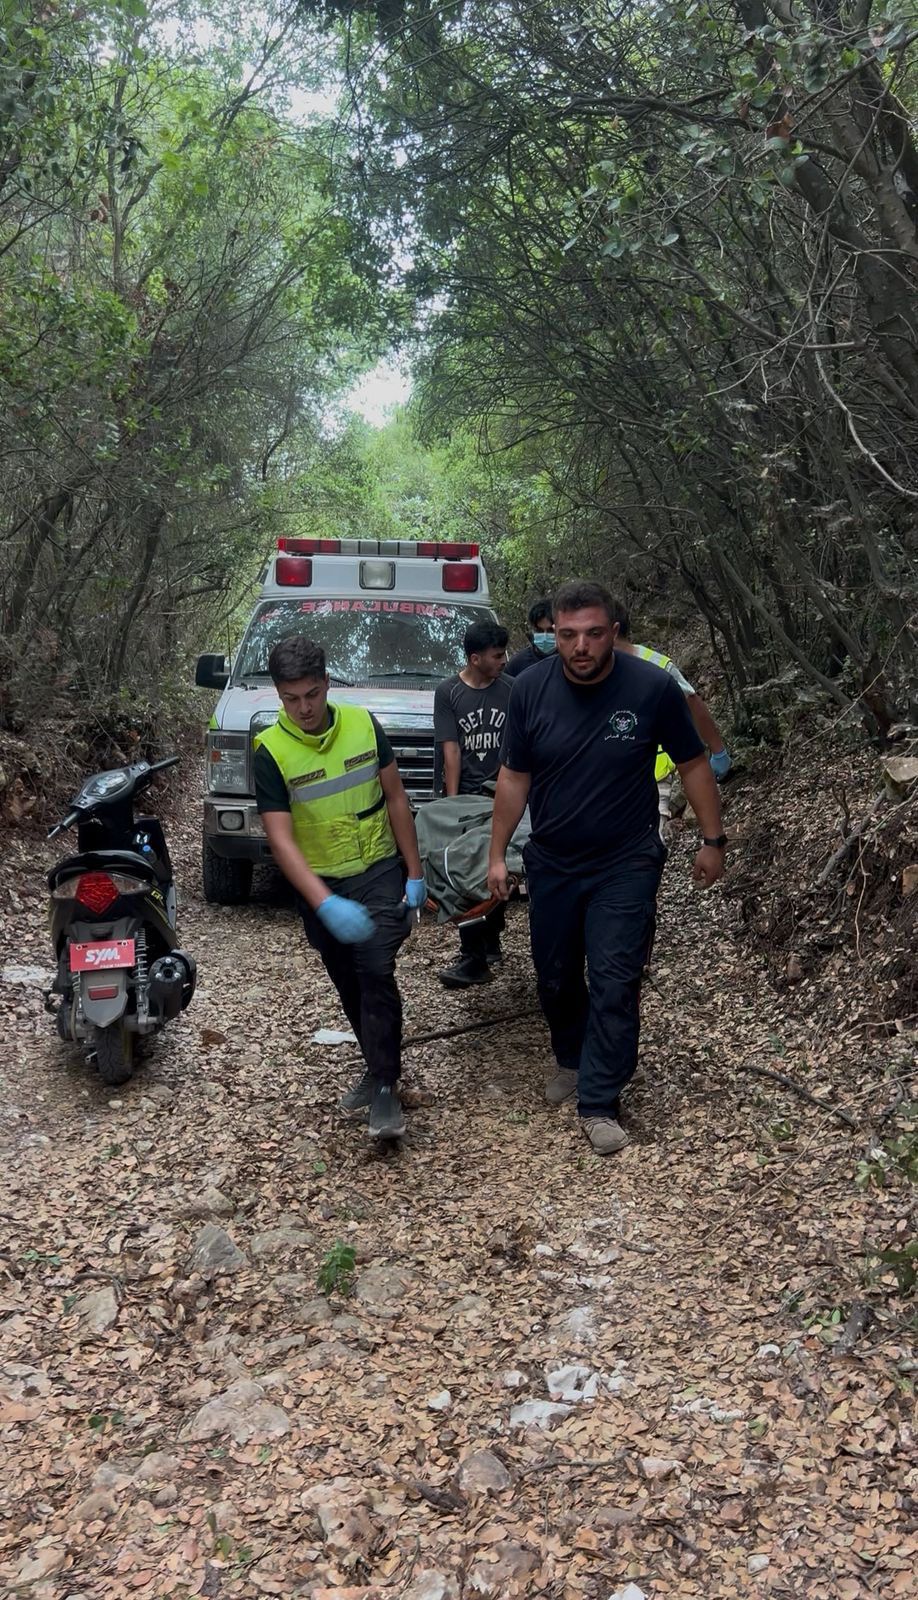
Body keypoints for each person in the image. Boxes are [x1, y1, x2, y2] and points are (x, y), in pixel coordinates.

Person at [487, 580, 727, 1156]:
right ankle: (572, 1058)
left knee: (616, 979)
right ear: (553, 635)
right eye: (568, 635)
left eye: (593, 634)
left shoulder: (651, 687)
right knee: (555, 976)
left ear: (613, 632)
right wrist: (496, 854)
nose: (581, 646)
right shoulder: (529, 690)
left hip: (627, 860)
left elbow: (693, 764)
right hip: (553, 860)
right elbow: (514, 777)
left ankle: (599, 1099)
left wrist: (713, 840)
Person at [253, 635, 426, 1140]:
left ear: (327, 683)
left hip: (377, 867)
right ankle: (376, 1064)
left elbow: (396, 797)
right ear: (279, 695)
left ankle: (386, 1086)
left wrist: (414, 872)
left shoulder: (363, 725)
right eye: (291, 699)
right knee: (347, 977)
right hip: (321, 880)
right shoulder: (270, 750)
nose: (304, 708)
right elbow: (280, 839)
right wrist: (324, 901)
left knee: (374, 966)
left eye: (311, 694)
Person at [433, 621, 512, 987]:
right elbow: (451, 750)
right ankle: (473, 955)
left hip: (501, 794)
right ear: (475, 658)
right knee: (464, 871)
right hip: (465, 794)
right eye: (497, 655)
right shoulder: (448, 692)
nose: (504, 660)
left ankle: (490, 937)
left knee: (497, 864)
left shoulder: (511, 689)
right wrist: (452, 805)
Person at [504, 598, 555, 678]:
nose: (545, 636)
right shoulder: (517, 663)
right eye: (539, 631)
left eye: (550, 631)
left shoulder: (568, 661)